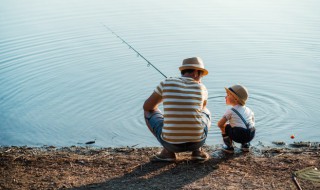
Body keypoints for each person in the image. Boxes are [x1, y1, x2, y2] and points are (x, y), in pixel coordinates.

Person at [143, 57, 211, 162]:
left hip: (171, 144)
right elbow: (201, 109)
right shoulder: (202, 88)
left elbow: (147, 107)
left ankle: (167, 152)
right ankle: (197, 151)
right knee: (206, 112)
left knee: (148, 111)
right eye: (201, 75)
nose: (201, 78)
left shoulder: (166, 83)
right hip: (197, 141)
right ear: (196, 73)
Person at [217, 84, 255, 153]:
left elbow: (220, 124)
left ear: (235, 98)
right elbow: (252, 121)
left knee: (225, 126)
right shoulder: (249, 109)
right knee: (244, 125)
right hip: (251, 134)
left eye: (228, 95)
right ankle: (245, 145)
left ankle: (229, 147)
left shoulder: (231, 111)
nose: (225, 97)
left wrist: (227, 128)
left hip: (239, 135)